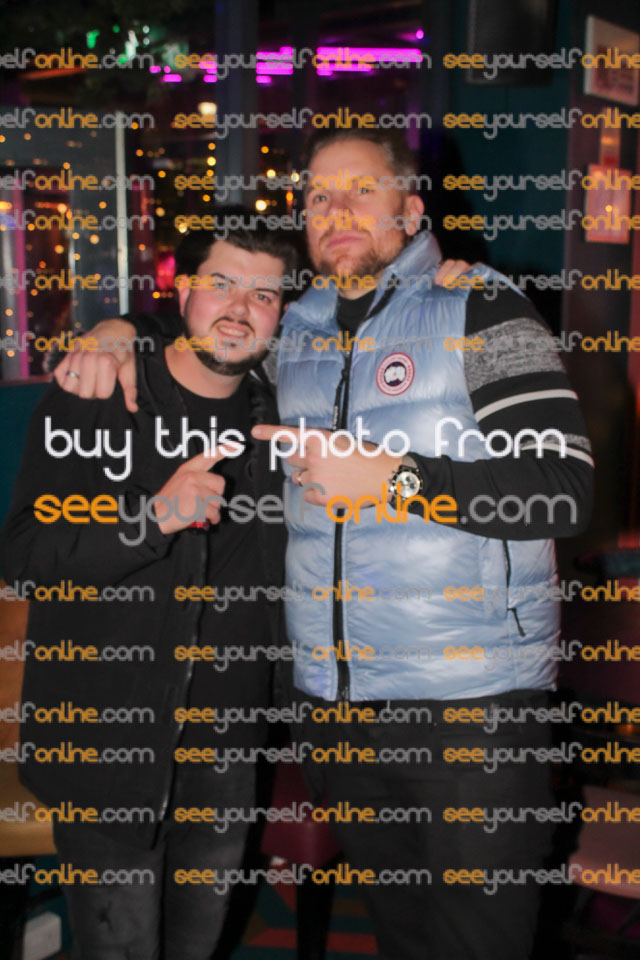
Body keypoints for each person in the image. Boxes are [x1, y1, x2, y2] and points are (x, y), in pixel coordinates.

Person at [52, 129, 593, 960]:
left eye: (361, 190)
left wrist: (394, 478)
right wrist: (121, 328)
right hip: (335, 714)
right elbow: (218, 330)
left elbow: (564, 489)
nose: (335, 210)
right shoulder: (297, 330)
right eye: (316, 196)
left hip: (470, 710)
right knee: (401, 938)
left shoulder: (487, 307)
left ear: (412, 209)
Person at [1, 223, 297, 960]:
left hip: (227, 748)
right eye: (221, 284)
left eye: (263, 295)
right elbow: (25, 558)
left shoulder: (281, 414)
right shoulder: (96, 397)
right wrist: (154, 519)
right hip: (110, 742)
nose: (240, 309)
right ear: (184, 289)